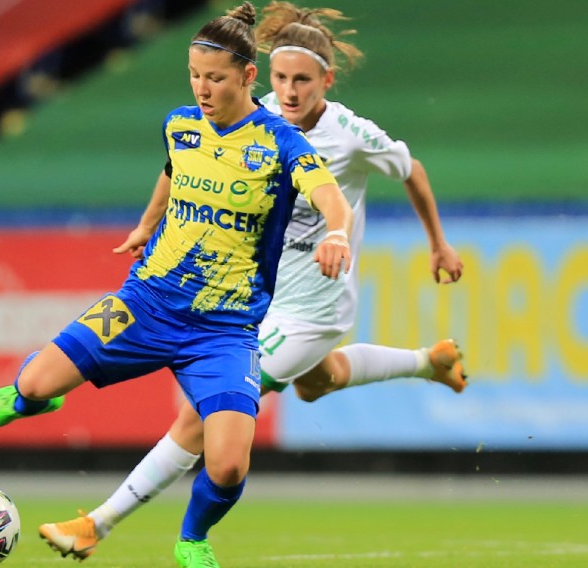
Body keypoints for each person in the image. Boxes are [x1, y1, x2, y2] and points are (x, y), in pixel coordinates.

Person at [33, 1, 468, 563]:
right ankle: (428, 361)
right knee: (317, 381)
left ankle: (98, 523)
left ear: (326, 81)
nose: (289, 91)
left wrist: (437, 242)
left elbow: (413, 171)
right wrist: (149, 222)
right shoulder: (251, 118)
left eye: (303, 81)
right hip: (251, 299)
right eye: (282, 77)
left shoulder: (351, 133)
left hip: (311, 306)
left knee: (197, 420)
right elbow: (182, 161)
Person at [0, 3, 354, 567]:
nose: (202, 88)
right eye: (195, 76)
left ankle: (192, 538)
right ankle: (34, 397)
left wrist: (338, 233)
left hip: (224, 330)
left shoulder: (279, 142)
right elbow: (173, 172)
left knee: (227, 464)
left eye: (215, 78)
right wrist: (148, 223)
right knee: (33, 382)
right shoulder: (181, 125)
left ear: (249, 77)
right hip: (145, 302)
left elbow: (328, 195)